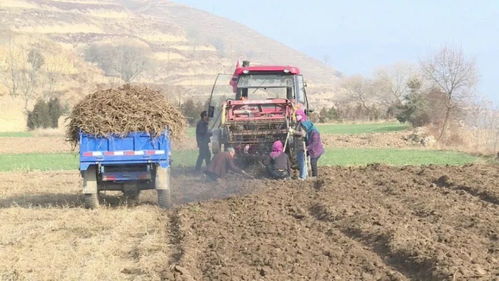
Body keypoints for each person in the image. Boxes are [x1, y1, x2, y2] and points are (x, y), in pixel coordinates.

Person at [293, 109, 308, 179]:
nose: (296, 116)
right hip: (298, 144)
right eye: (295, 115)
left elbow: (303, 133)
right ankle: (302, 175)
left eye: (297, 115)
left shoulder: (302, 123)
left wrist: (293, 132)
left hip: (301, 144)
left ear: (301, 115)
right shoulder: (298, 123)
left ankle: (303, 176)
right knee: (300, 161)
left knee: (302, 161)